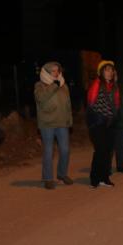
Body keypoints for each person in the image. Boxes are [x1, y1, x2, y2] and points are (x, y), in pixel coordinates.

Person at [34, 61, 73, 190]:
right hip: (47, 123)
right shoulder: (40, 85)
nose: (56, 73)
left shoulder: (63, 85)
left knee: (65, 150)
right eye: (53, 71)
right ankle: (48, 178)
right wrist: (54, 86)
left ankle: (62, 174)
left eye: (58, 70)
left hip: (62, 122)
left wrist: (69, 120)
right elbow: (41, 98)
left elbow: (67, 105)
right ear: (46, 72)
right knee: (49, 151)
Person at [86, 60, 120, 188]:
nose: (110, 72)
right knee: (100, 150)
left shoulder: (114, 86)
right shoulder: (97, 84)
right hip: (98, 122)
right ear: (101, 72)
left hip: (110, 123)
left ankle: (105, 178)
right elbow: (91, 102)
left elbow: (116, 104)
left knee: (108, 151)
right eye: (107, 70)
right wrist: (95, 119)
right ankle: (95, 178)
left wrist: (114, 117)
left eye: (111, 70)